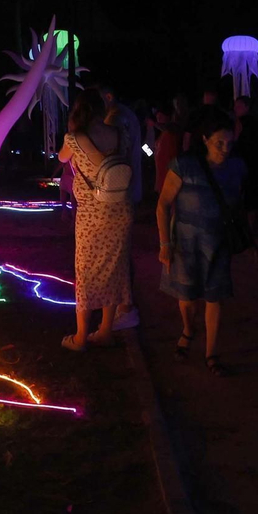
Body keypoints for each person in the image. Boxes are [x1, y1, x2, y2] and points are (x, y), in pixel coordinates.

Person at [157, 113, 247, 376]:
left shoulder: (236, 168)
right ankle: (188, 329)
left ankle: (211, 352)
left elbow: (238, 205)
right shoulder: (184, 166)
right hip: (185, 243)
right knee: (186, 296)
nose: (225, 148)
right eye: (219, 142)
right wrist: (165, 243)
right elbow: (163, 204)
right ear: (205, 139)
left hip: (218, 243)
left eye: (229, 143)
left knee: (215, 297)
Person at [58, 90, 131, 351]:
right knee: (114, 269)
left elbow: (62, 157)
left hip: (91, 214)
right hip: (120, 210)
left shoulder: (75, 138)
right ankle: (105, 331)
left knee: (87, 271)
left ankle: (81, 337)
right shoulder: (119, 133)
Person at [100, 85, 142, 330]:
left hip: (118, 195)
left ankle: (125, 308)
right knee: (121, 252)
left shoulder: (117, 118)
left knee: (118, 254)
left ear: (108, 96)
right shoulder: (126, 114)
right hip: (126, 191)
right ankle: (123, 306)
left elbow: (115, 157)